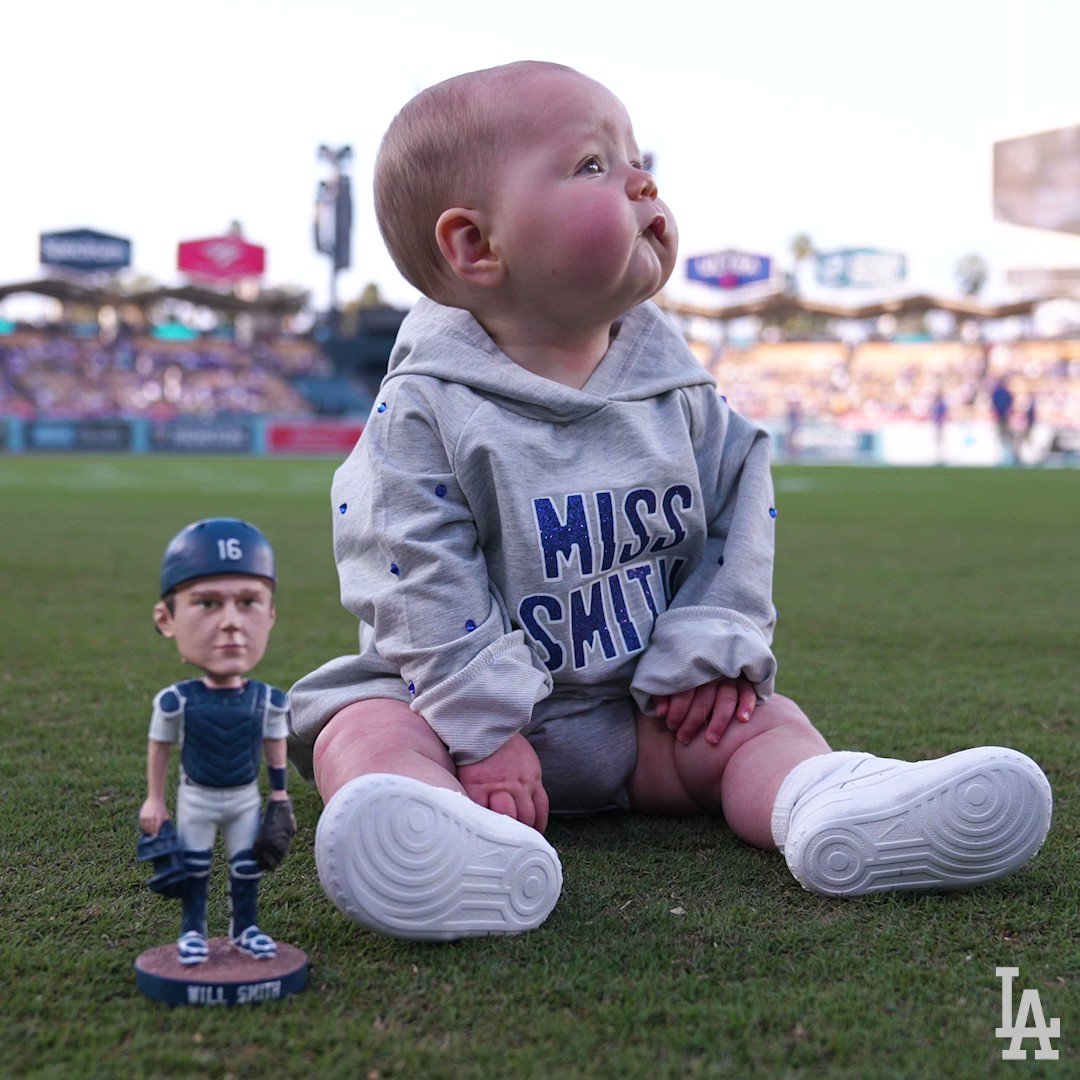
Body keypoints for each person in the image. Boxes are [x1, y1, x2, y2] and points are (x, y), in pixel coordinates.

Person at [288, 61, 1053, 941]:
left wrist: (710, 646)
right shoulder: (424, 405)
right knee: (363, 730)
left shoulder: (681, 392)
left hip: (639, 714)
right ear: (476, 247)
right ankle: (435, 835)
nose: (643, 181)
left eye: (638, 158)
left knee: (759, 723)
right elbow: (404, 565)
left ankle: (824, 801)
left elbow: (738, 517)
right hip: (447, 716)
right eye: (591, 166)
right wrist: (481, 725)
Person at [139, 518, 296, 964]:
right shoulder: (175, 701)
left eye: (248, 602)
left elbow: (275, 745)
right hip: (197, 797)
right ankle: (192, 932)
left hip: (246, 796)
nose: (230, 623)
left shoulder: (267, 699)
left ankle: (245, 929)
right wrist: (154, 800)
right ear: (165, 619)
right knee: (194, 867)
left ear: (270, 615)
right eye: (207, 603)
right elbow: (160, 749)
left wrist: (281, 795)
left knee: (247, 866)